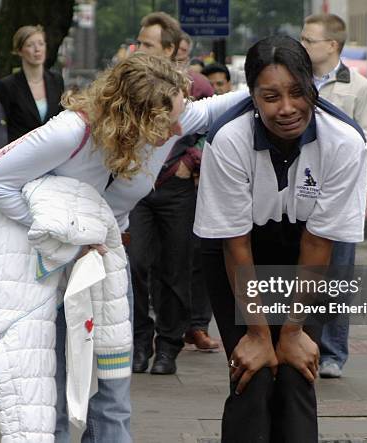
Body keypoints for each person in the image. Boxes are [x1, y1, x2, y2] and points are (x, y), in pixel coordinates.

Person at [0, 52, 247, 442]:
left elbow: (218, 107)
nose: (176, 129)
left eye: (177, 115)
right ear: (132, 115)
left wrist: (292, 82)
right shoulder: (70, 132)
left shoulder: (168, 121)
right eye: (165, 121)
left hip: (103, 269)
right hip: (43, 272)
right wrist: (67, 239)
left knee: (111, 398)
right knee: (48, 396)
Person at [194, 35, 367, 442]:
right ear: (252, 96)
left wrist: (290, 331)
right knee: (251, 373)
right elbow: (235, 243)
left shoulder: (344, 141)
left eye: (296, 92)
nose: (287, 108)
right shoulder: (228, 139)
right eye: (271, 96)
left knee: (295, 372)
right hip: (237, 250)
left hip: (309, 252)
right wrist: (257, 333)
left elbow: (318, 242)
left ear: (313, 87)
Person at [130, 12, 218, 376]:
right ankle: (138, 342)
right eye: (139, 42)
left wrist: (191, 161)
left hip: (176, 188)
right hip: (134, 189)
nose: (139, 49)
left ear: (169, 49)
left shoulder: (195, 85)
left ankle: (168, 346)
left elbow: (215, 129)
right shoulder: (130, 83)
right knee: (133, 265)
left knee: (174, 269)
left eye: (147, 44)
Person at [301, 13, 367, 378]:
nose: (302, 45)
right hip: (300, 193)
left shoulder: (358, 87)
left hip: (343, 198)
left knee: (336, 277)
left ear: (332, 45)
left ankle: (333, 352)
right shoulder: (296, 81)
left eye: (309, 40)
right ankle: (300, 342)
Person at [0, 25, 65, 142]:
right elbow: (0, 126)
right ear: (19, 50)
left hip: (51, 151)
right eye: (30, 45)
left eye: (41, 44)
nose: (37, 49)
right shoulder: (7, 86)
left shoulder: (56, 80)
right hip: (20, 152)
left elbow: (61, 118)